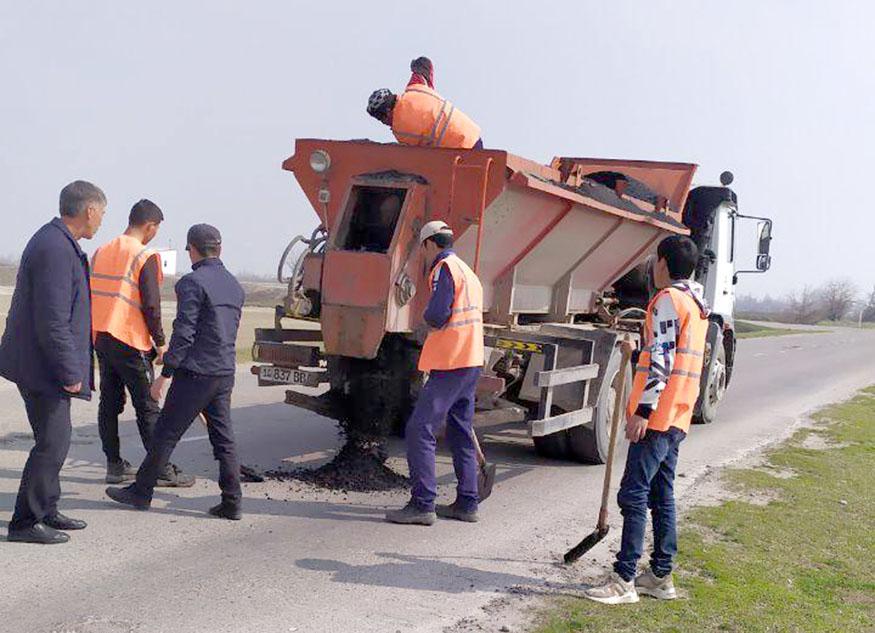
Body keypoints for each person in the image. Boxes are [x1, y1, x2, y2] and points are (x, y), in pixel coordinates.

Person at [584, 235, 709, 604]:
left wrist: (642, 411)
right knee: (661, 494)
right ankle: (659, 576)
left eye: (655, 262)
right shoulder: (697, 305)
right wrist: (637, 350)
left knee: (633, 494)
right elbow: (670, 353)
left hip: (657, 417)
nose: (653, 269)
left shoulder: (668, 300)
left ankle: (623, 580)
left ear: (664, 264)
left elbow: (663, 362)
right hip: (678, 414)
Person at [105, 224, 246, 520]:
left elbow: (184, 333)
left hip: (195, 374)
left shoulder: (191, 283)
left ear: (192, 249)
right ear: (219, 250)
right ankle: (232, 501)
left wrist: (165, 375)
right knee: (224, 438)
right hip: (223, 371)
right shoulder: (234, 285)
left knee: (165, 435)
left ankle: (141, 493)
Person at [0, 180, 106, 544]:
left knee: (53, 439)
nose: (101, 221)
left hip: (38, 361)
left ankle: (47, 509)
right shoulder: (55, 248)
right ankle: (26, 522)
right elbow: (52, 318)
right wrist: (69, 370)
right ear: (89, 210)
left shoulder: (59, 243)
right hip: (42, 365)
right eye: (102, 213)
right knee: (53, 443)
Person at [386, 220, 484, 526]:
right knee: (459, 430)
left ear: (430, 244)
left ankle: (422, 503)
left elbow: (439, 315)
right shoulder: (468, 272)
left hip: (451, 362)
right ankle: (468, 503)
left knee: (419, 428)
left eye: (423, 249)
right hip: (471, 360)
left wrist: (424, 315)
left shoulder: (443, 269)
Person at [91, 199, 194, 487]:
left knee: (109, 403)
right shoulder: (144, 255)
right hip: (130, 338)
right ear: (150, 226)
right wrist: (160, 343)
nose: (155, 234)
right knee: (147, 405)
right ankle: (160, 468)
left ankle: (114, 465)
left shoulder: (101, 251)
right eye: (157, 229)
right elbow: (151, 305)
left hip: (102, 336)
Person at [366, 56, 483, 150]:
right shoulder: (414, 89)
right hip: (473, 135)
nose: (384, 123)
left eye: (381, 119)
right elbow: (425, 65)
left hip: (460, 154)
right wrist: (416, 65)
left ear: (387, 112)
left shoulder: (400, 130)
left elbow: (420, 157)